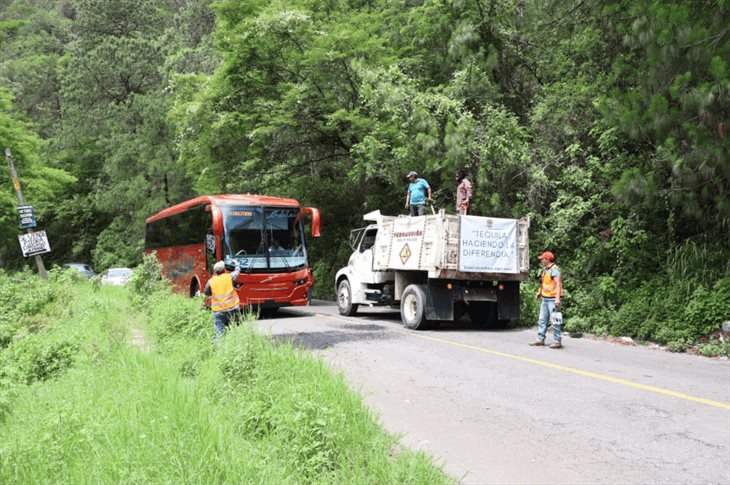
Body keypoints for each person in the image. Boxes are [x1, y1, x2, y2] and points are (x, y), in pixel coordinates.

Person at [530, 251, 564, 348]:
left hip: (553, 299)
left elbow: (558, 285)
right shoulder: (545, 269)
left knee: (555, 320)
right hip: (545, 298)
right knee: (542, 319)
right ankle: (540, 339)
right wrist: (539, 292)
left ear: (547, 259)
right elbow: (544, 283)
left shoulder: (555, 270)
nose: (541, 260)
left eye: (542, 259)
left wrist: (557, 299)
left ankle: (557, 341)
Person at [204, 260, 241, 337]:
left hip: (219, 311)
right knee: (235, 331)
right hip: (233, 309)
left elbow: (206, 293)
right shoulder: (229, 277)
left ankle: (220, 347)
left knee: (219, 334)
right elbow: (237, 271)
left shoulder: (211, 281)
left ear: (215, 271)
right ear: (224, 269)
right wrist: (237, 264)